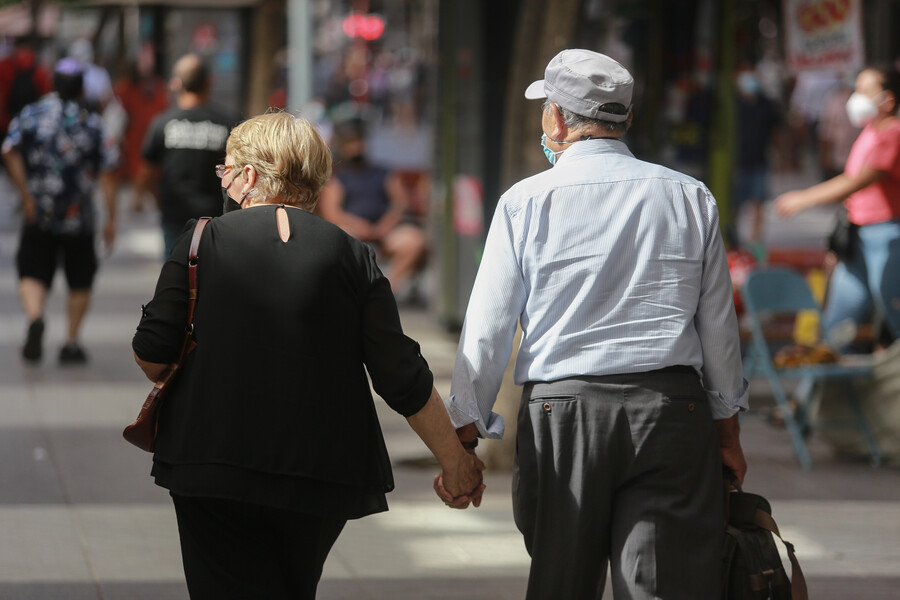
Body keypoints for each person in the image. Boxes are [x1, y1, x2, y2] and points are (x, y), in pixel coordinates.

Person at [131, 112, 484, 599]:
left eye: (226, 170)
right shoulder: (352, 255)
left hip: (209, 459)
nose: (224, 179)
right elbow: (401, 375)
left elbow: (152, 355)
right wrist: (456, 462)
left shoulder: (200, 240)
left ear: (249, 176)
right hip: (320, 470)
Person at [437, 49, 748, 599]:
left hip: (564, 414)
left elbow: (488, 330)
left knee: (562, 582)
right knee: (659, 586)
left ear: (556, 118)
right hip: (673, 413)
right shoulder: (688, 196)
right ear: (625, 120)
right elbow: (718, 325)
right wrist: (726, 431)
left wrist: (465, 437)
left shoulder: (524, 202)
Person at [1, 58, 118, 364]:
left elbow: (9, 150)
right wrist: (111, 219)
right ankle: (70, 342)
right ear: (82, 88)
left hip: (37, 211)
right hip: (78, 217)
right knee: (80, 279)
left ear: (53, 83)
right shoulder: (92, 122)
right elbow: (108, 172)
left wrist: (25, 192)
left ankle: (36, 316)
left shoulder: (32, 113)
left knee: (32, 269)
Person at [775, 64, 900, 349]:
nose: (856, 97)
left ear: (889, 100)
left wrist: (803, 199)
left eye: (866, 91)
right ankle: (814, 394)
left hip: (888, 238)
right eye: (857, 89)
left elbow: (854, 182)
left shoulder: (893, 135)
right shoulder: (871, 131)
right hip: (859, 237)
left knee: (895, 318)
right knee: (837, 326)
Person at [317, 120, 427, 294]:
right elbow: (333, 213)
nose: (356, 147)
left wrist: (385, 226)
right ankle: (354, 292)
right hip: (354, 233)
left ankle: (387, 289)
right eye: (351, 143)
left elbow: (400, 203)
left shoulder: (384, 173)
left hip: (384, 234)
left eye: (359, 142)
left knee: (414, 241)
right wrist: (359, 226)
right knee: (342, 240)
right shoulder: (337, 178)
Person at [142, 53, 234, 258]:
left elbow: (146, 175)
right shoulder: (228, 123)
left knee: (175, 282)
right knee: (213, 282)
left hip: (176, 220)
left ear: (175, 84)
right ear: (210, 82)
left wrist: (160, 203)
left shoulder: (162, 123)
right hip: (217, 220)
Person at [114, 43, 169, 212]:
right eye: (143, 58)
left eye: (149, 58)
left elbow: (165, 107)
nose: (146, 62)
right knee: (137, 167)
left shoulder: (159, 85)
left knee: (151, 171)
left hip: (153, 133)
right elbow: (117, 109)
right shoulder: (127, 85)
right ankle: (138, 198)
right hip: (134, 135)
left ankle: (145, 199)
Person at [732, 67, 780, 250]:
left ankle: (755, 243)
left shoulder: (767, 104)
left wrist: (780, 158)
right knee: (734, 204)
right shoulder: (733, 103)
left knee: (758, 203)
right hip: (736, 163)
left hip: (759, 160)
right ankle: (733, 239)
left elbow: (776, 132)